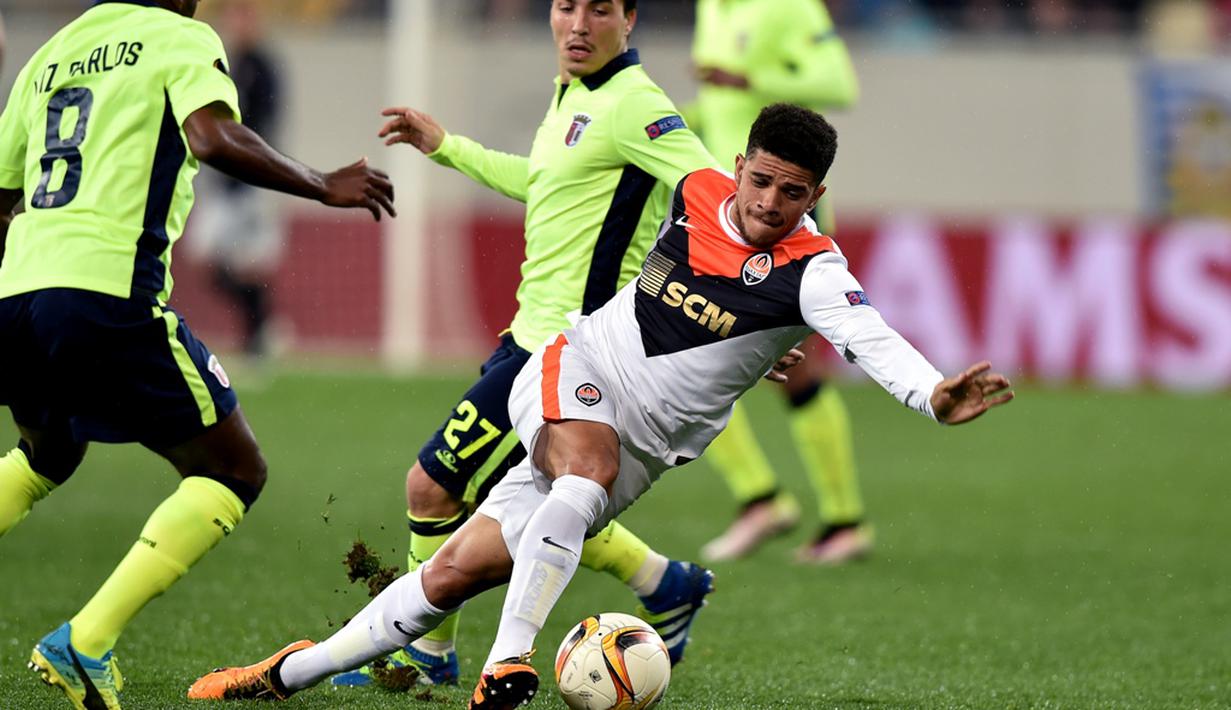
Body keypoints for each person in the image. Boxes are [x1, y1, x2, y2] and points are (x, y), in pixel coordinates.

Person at [187, 104, 1013, 709]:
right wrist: (453, 148)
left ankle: (285, 673)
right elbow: (557, 183)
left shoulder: (814, 271)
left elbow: (869, 336)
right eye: (759, 181)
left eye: (791, 193)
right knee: (585, 467)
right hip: (570, 368)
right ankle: (508, 664)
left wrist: (929, 394)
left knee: (450, 575)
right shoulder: (690, 189)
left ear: (815, 194)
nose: (768, 203)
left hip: (643, 453)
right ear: (736, 166)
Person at [0, 1, 394, 708]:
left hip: (17, 294)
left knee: (46, 453)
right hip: (105, 292)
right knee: (234, 469)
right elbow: (212, 138)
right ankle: (85, 642)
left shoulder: (53, 52)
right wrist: (321, 185)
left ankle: (84, 643)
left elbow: (1, 195)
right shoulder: (180, 37)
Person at [327, 0, 722, 688]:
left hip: (567, 352)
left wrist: (746, 298)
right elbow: (542, 185)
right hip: (527, 339)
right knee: (547, 496)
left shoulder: (636, 107)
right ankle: (663, 582)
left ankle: (428, 656)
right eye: (565, 6)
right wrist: (446, 146)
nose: (577, 24)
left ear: (628, 19)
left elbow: (712, 195)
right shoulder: (575, 94)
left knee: (432, 485)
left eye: (598, 10)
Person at [689, 0, 872, 564]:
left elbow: (840, 83)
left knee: (794, 368)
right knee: (692, 349)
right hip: (727, 217)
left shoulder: (789, 7)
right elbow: (724, 109)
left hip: (782, 216)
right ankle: (764, 500)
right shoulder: (711, 8)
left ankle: (839, 518)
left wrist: (752, 78)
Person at [187, 0, 285, 359]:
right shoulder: (226, 64)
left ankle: (258, 336)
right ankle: (263, 325)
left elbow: (267, 122)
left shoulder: (263, 67)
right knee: (206, 258)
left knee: (248, 263)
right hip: (225, 183)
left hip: (251, 184)